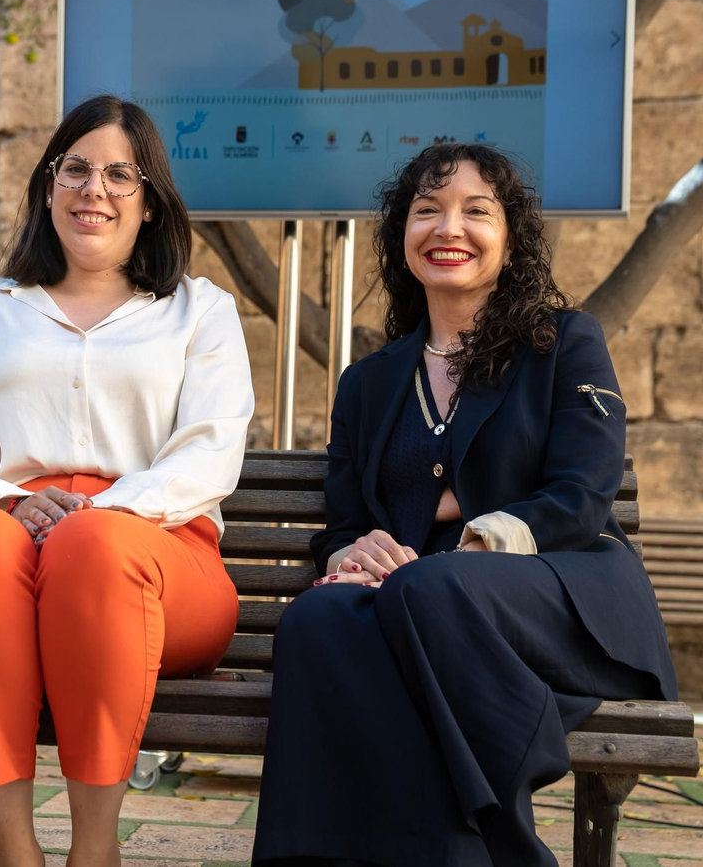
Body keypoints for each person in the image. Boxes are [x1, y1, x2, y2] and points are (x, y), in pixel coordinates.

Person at [251, 144, 677, 867]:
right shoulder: (369, 382)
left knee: (432, 584)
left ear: (510, 240)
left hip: (564, 601)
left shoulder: (564, 343)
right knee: (317, 618)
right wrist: (351, 553)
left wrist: (479, 537)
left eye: (476, 211)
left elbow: (583, 492)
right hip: (419, 605)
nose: (449, 228)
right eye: (427, 211)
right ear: (401, 238)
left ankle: (503, 848)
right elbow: (347, 521)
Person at [0, 94, 254, 867]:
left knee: (95, 545)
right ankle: (14, 848)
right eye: (76, 169)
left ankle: (94, 851)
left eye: (120, 175)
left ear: (152, 204)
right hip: (7, 553)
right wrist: (16, 502)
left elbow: (209, 453)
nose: (94, 189)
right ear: (48, 186)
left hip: (161, 560)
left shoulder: (200, 312)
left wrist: (101, 512)